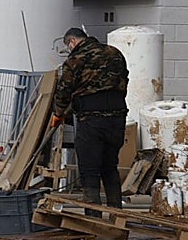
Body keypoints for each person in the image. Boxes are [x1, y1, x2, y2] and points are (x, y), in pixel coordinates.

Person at [50, 27, 130, 208]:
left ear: (71, 41)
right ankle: (116, 219)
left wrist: (58, 114)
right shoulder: (114, 53)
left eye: (68, 46)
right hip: (117, 117)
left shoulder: (74, 60)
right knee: (110, 167)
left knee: (90, 171)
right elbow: (125, 79)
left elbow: (64, 91)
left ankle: (93, 221)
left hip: (91, 120)